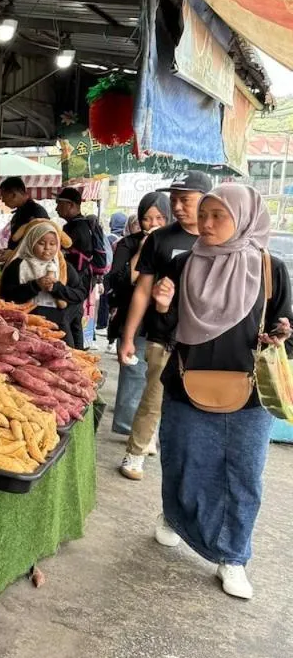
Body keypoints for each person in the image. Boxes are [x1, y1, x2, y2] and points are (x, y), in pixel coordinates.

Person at [149, 184, 291, 600]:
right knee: (183, 464)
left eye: (218, 216)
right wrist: (162, 308)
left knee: (242, 476)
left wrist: (283, 336)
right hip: (185, 386)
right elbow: (163, 334)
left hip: (249, 394)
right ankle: (176, 517)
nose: (206, 224)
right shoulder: (183, 266)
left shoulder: (269, 269)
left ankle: (233, 556)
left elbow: (287, 325)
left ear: (243, 218)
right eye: (204, 214)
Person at [116, 170, 212, 479]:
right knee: (153, 397)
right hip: (163, 335)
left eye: (186, 199)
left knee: (197, 406)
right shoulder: (160, 238)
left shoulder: (217, 239)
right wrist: (128, 336)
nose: (179, 206)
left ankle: (188, 461)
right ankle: (135, 452)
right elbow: (142, 290)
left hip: (207, 340)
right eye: (175, 200)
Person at [105, 193, 172, 435]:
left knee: (161, 380)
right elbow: (120, 282)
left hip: (166, 324)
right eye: (146, 218)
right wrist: (142, 252)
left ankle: (148, 431)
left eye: (159, 218)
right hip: (134, 320)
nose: (153, 224)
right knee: (133, 375)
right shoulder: (128, 244)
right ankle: (129, 430)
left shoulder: (176, 242)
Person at [0, 219, 88, 345]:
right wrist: (35, 285)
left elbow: (80, 294)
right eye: (41, 243)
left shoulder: (63, 268)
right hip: (24, 326)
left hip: (57, 327)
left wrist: (57, 288)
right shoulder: (18, 266)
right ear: (31, 242)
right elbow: (6, 295)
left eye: (52, 244)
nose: (47, 248)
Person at [54, 187, 104, 349]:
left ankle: (71, 358)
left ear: (71, 205)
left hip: (76, 280)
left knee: (64, 320)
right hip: (85, 280)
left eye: (59, 204)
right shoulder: (85, 225)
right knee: (75, 320)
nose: (56, 208)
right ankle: (79, 355)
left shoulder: (73, 228)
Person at [0, 176, 49, 259]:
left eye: (3, 196)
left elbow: (41, 245)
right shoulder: (20, 212)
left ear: (13, 195)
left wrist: (15, 253)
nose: (2, 201)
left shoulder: (36, 212)